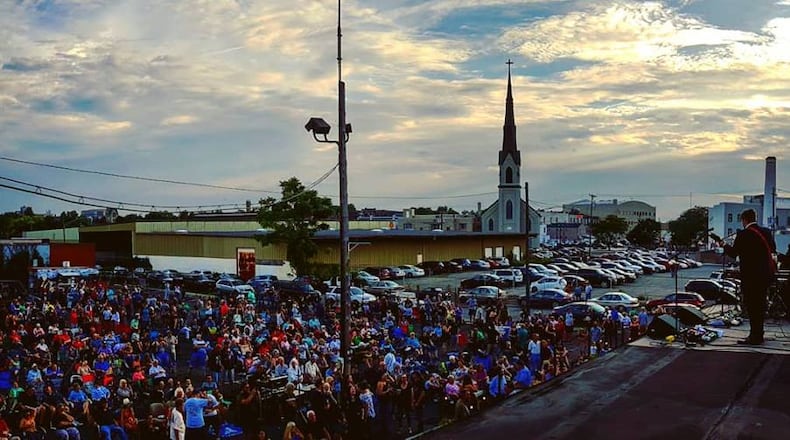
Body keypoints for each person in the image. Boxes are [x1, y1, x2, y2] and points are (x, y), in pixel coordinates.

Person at [720, 208, 777, 345]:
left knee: (752, 307)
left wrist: (724, 245)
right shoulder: (766, 232)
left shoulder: (743, 234)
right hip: (764, 275)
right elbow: (773, 248)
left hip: (750, 276)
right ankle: (759, 333)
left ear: (744, 220)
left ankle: (754, 336)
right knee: (760, 306)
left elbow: (734, 254)